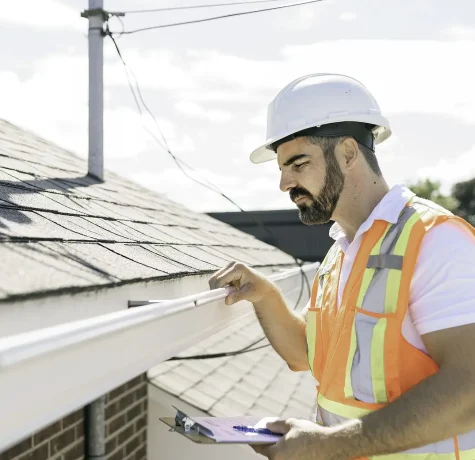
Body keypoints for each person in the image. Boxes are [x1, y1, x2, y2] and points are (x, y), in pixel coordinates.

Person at [208, 74, 475, 459]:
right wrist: (265, 296)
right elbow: (307, 355)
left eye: (298, 163)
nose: (285, 183)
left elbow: (469, 391)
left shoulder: (436, 241)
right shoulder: (341, 253)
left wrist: (326, 444)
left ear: (348, 153)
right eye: (282, 168)